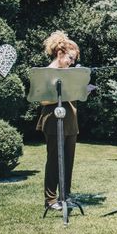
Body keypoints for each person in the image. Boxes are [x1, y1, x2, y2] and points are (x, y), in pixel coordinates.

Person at [36, 31, 80, 211]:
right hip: (54, 120)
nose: (72, 62)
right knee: (54, 160)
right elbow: (43, 100)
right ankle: (51, 199)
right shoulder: (48, 72)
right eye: (70, 58)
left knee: (68, 160)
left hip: (70, 121)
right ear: (60, 53)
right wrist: (64, 94)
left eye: (74, 60)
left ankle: (65, 196)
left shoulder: (68, 73)